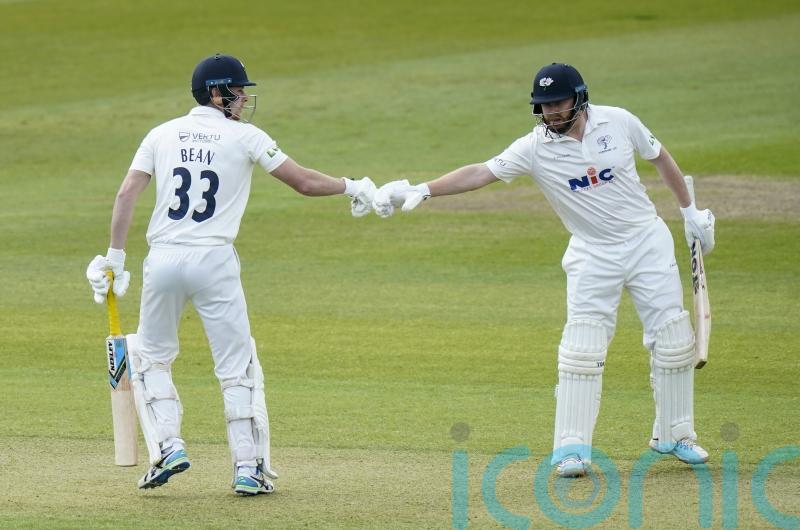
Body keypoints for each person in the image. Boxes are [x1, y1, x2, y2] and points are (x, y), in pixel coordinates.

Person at [372, 62, 715, 477]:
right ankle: (571, 449)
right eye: (544, 105)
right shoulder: (534, 148)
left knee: (673, 338)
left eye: (558, 103)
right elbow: (481, 171)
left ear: (580, 98)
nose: (551, 112)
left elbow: (660, 157)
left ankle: (675, 434)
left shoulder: (619, 121)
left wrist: (690, 212)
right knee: (582, 349)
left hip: (647, 241)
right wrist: (424, 189)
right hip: (593, 253)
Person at [86, 53, 376, 494]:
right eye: (238, 92)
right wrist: (351, 186)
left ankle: (169, 445)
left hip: (162, 260)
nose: (243, 99)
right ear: (216, 93)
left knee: (151, 356)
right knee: (236, 366)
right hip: (214, 261)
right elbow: (302, 182)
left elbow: (127, 193)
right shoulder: (246, 137)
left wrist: (115, 257)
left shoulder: (161, 133)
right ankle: (247, 468)